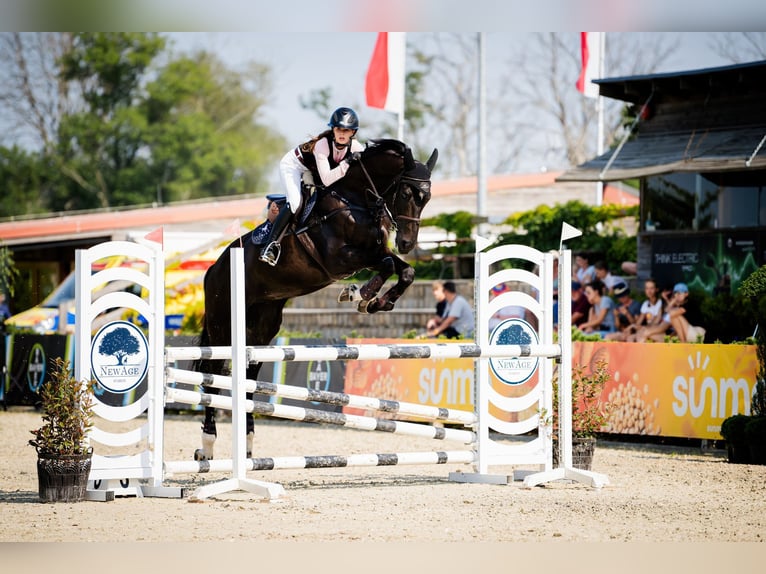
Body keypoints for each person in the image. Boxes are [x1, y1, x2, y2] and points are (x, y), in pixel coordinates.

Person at [259, 106, 366, 266]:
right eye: (338, 129)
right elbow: (327, 179)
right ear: (333, 130)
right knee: (295, 203)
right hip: (294, 166)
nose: (342, 133)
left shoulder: (357, 148)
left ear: (353, 133)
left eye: (346, 130)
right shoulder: (322, 145)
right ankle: (270, 246)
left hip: (312, 171)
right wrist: (348, 162)